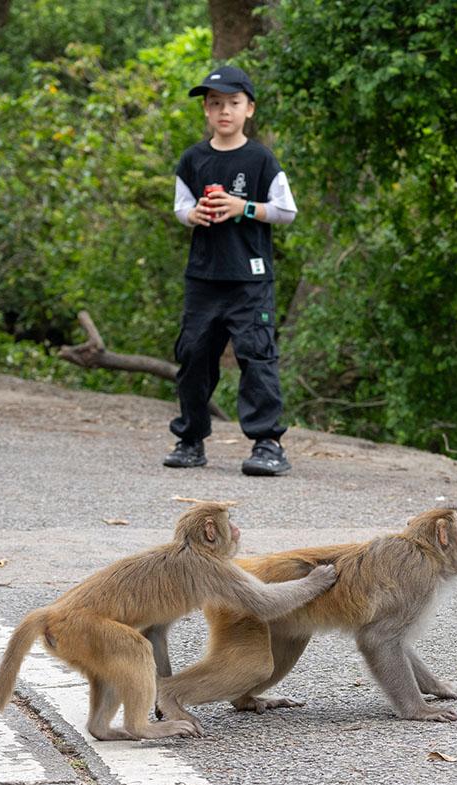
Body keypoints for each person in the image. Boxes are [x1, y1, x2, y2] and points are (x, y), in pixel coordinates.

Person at [165, 65, 298, 476]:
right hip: (203, 277)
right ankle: (190, 440)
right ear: (206, 110)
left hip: (250, 278)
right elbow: (179, 208)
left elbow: (286, 211)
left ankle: (267, 444)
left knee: (256, 356)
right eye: (216, 103)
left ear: (249, 109)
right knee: (192, 355)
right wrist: (195, 214)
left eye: (233, 104)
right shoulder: (193, 159)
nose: (225, 111)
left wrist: (245, 208)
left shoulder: (260, 158)